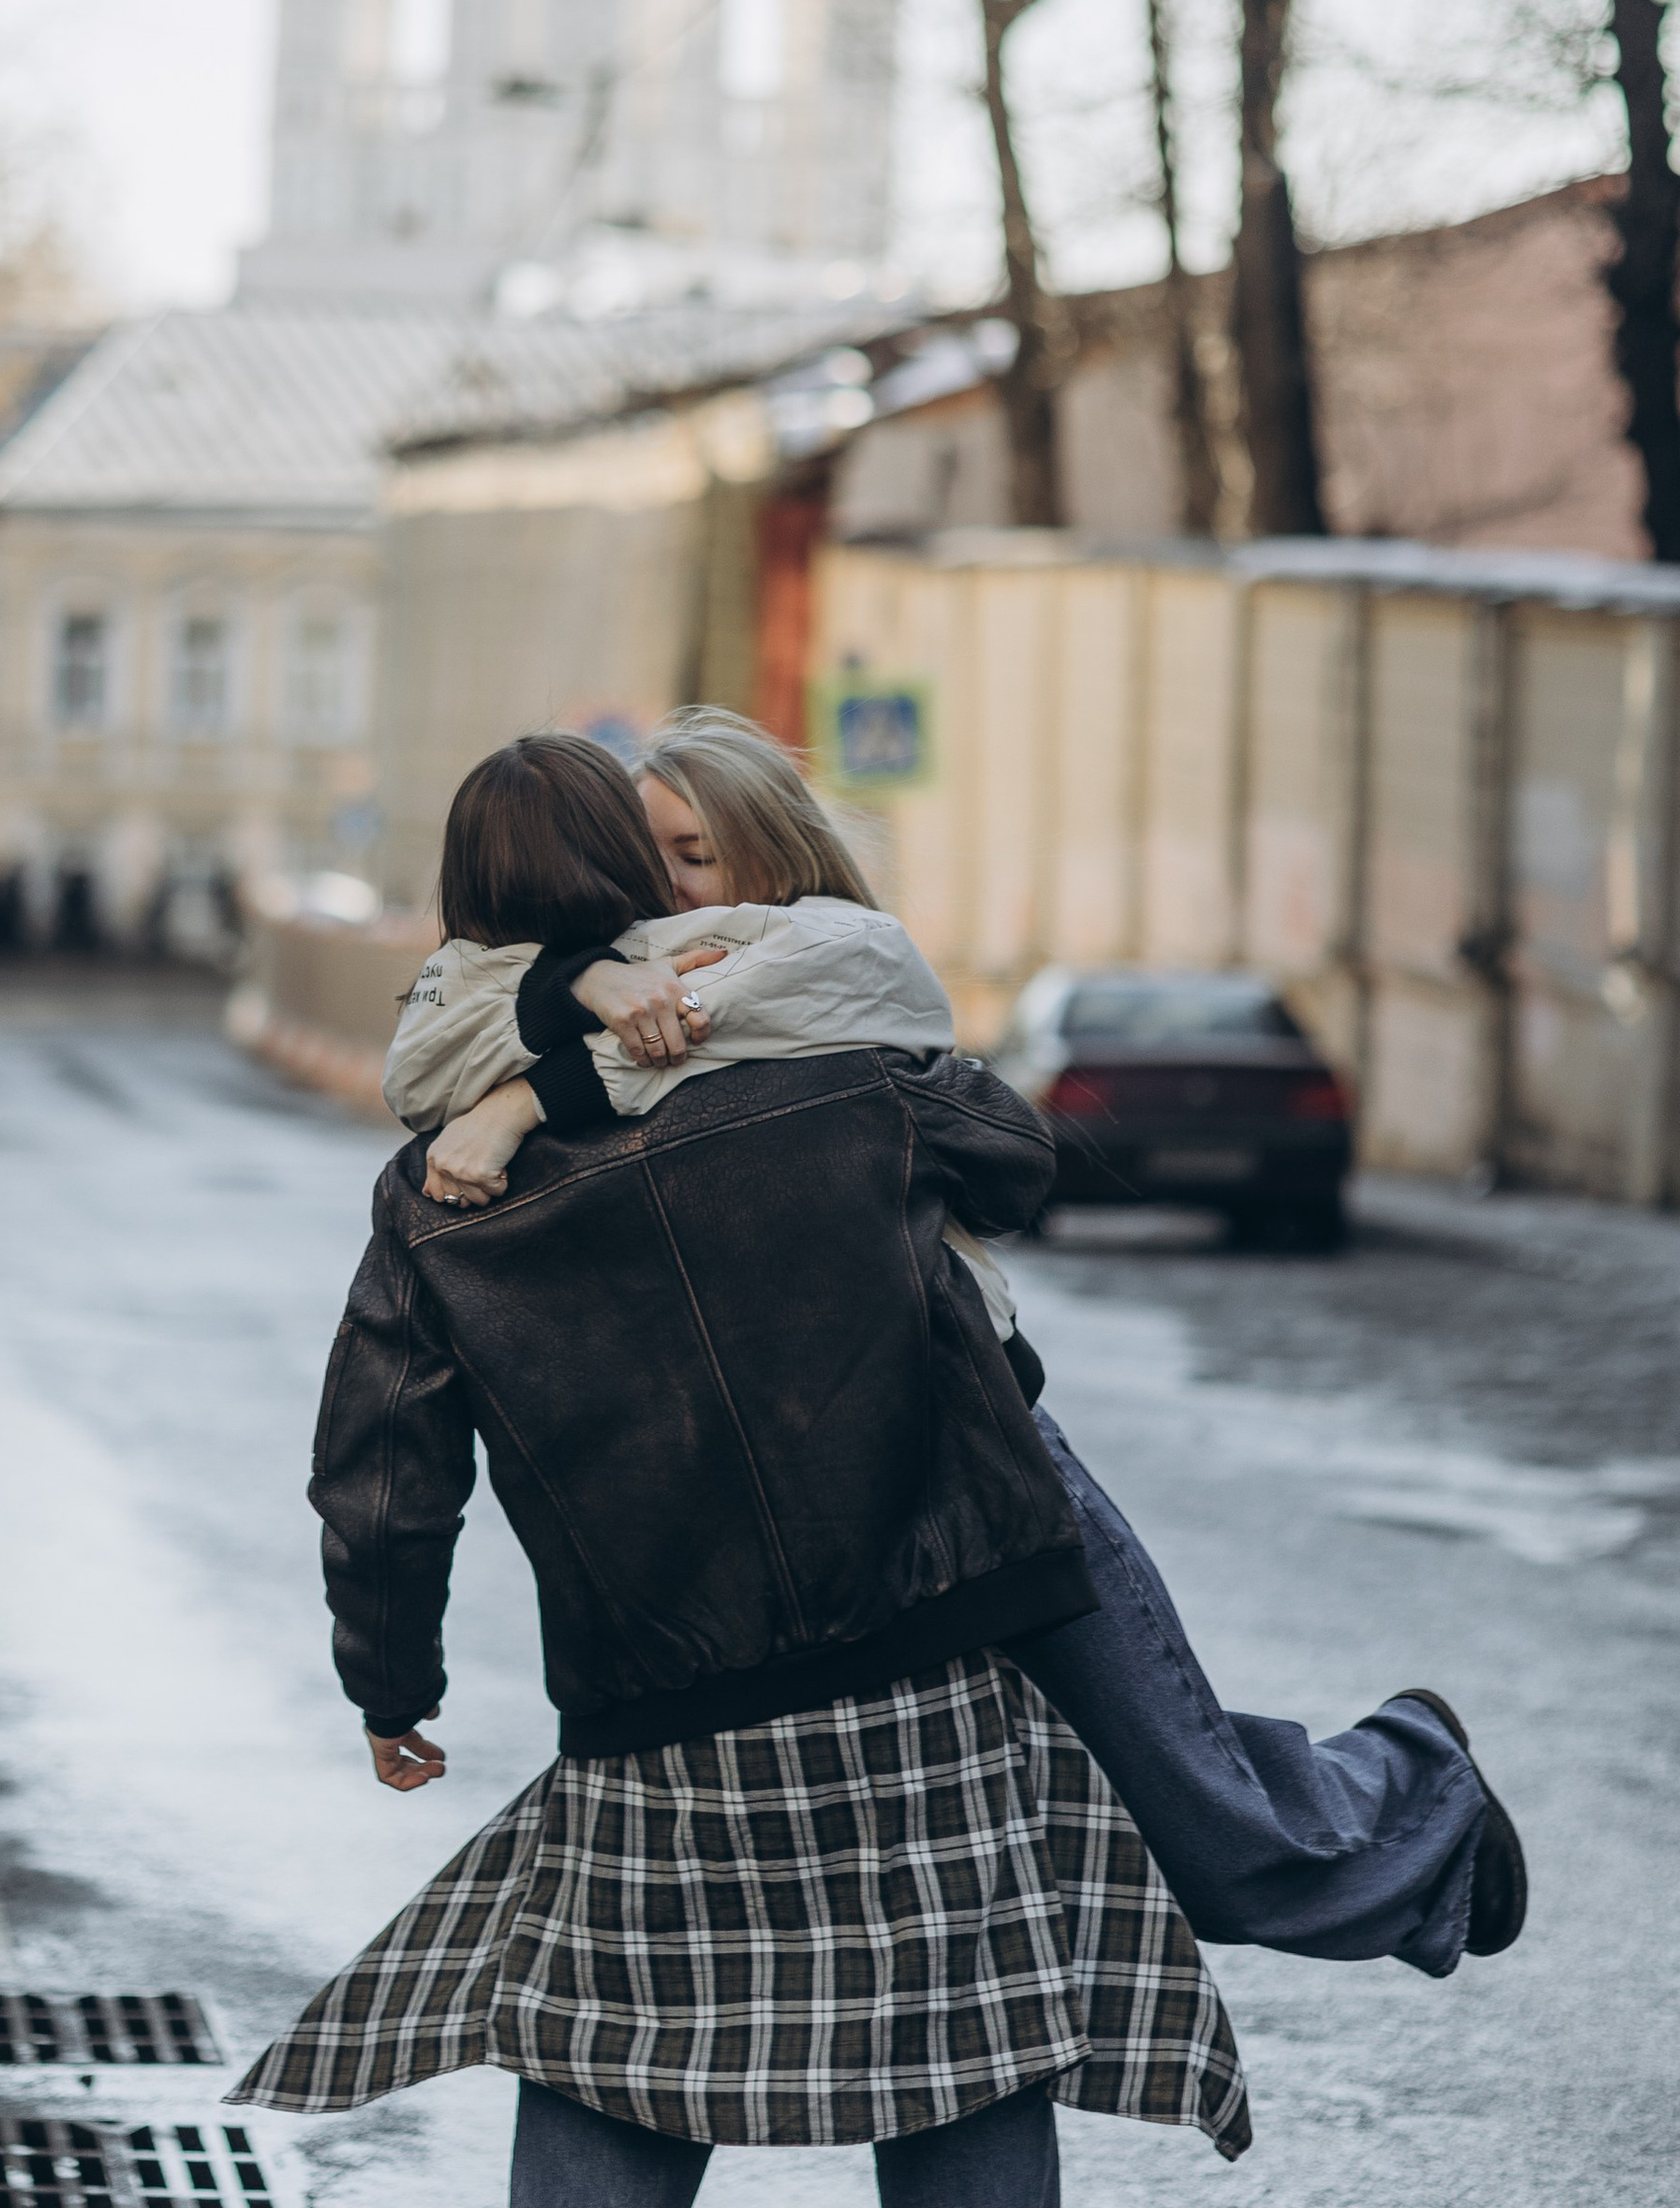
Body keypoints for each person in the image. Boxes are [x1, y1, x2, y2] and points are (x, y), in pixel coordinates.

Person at [232, 731, 1250, 2208]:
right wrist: (790, 1001)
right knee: (968, 2060)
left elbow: (379, 1472)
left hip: (654, 1708)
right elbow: (1020, 1159)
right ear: (639, 890)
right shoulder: (830, 1080)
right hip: (912, 1674)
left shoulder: (437, 1188)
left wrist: (391, 1685)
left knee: (609, 2066)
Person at [405, 706, 1527, 1978]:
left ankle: (1412, 1776)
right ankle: (1411, 1858)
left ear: (773, 856)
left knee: (1210, 1837)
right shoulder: (605, 980)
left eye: (694, 854)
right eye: (640, 854)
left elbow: (730, 1043)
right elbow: (424, 1046)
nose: (660, 887)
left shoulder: (834, 958)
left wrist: (524, 1093)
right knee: (1015, 1860)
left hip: (986, 1452)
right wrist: (577, 990)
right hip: (836, 1514)